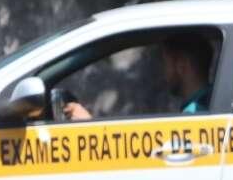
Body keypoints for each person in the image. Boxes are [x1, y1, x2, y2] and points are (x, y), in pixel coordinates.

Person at [62, 32, 215, 121]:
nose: (162, 70)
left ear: (182, 65)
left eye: (165, 61)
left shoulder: (196, 116)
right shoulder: (209, 106)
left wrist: (90, 127)